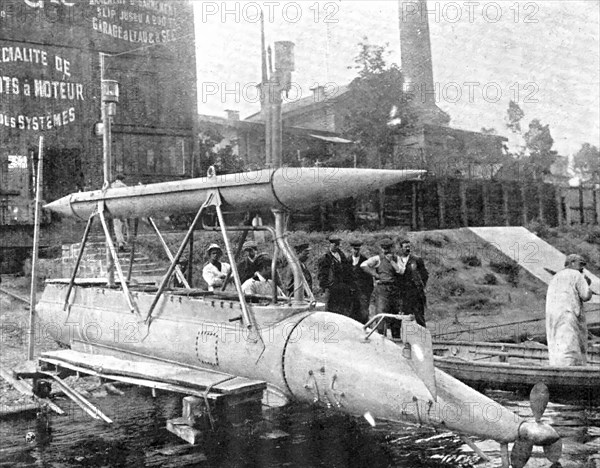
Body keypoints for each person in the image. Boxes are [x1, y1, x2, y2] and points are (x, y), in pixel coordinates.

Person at [545, 254, 593, 366]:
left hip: (553, 315)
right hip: (569, 314)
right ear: (572, 263)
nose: (583, 268)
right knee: (570, 342)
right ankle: (571, 368)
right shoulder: (576, 274)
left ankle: (557, 367)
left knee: (557, 341)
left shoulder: (556, 276)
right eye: (581, 264)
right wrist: (588, 285)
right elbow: (586, 295)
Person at [361, 238, 404, 335]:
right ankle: (381, 337)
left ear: (392, 248)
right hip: (382, 289)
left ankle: (395, 337)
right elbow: (363, 265)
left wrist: (392, 262)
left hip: (395, 289)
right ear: (381, 249)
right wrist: (375, 275)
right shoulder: (377, 258)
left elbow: (401, 271)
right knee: (381, 313)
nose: (386, 250)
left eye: (388, 248)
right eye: (384, 248)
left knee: (396, 315)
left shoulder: (397, 259)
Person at [318, 235, 355, 316]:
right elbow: (322, 274)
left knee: (342, 309)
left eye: (337, 245)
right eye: (335, 245)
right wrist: (323, 287)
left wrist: (349, 284)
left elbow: (348, 271)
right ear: (329, 245)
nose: (336, 247)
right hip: (331, 287)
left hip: (342, 287)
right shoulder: (325, 258)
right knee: (330, 309)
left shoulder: (342, 256)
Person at [397, 239, 429, 327]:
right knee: (405, 316)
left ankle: (423, 335)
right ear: (400, 248)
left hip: (415, 292)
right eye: (405, 247)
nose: (408, 249)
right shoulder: (396, 260)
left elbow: (424, 274)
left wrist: (420, 285)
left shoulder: (416, 260)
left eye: (409, 247)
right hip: (403, 293)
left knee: (419, 315)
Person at [349, 239, 373, 324]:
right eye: (354, 249)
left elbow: (369, 279)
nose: (356, 251)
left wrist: (367, 293)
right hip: (350, 292)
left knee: (363, 313)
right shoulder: (347, 261)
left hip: (362, 292)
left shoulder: (365, 261)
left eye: (357, 249)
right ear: (351, 249)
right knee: (350, 313)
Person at [111, 174, 129, 251]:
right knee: (122, 226)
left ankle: (120, 243)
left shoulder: (112, 185)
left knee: (117, 227)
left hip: (114, 208)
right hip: (121, 207)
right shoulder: (123, 186)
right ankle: (121, 243)